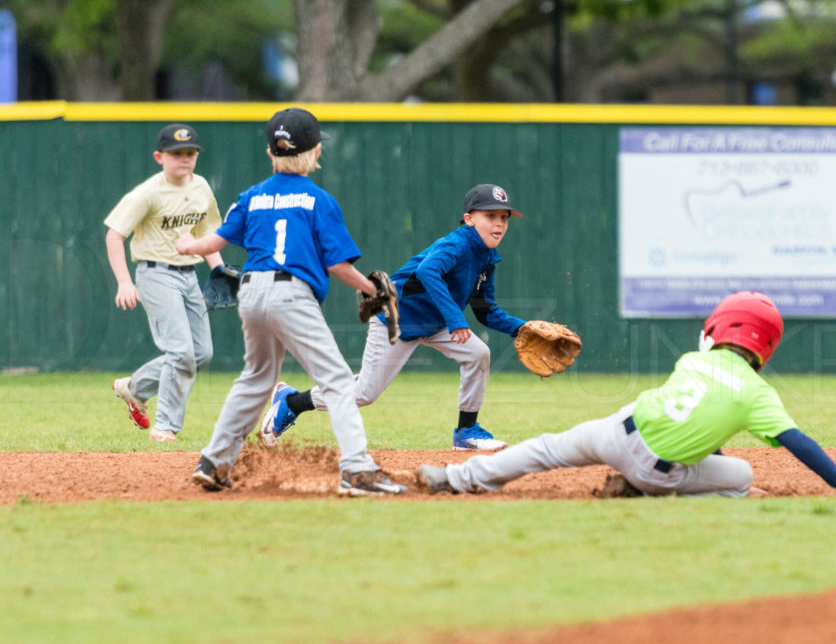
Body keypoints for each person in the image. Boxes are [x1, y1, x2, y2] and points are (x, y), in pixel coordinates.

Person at [416, 292, 836, 498]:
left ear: (717, 328)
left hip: (617, 430)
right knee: (740, 476)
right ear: (766, 345)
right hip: (658, 472)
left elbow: (696, 409)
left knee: (544, 448)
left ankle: (454, 480)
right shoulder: (757, 395)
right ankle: (658, 492)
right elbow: (801, 445)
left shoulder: (693, 361)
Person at [175, 107, 405, 496]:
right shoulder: (319, 200)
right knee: (335, 379)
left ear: (270, 153)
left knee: (255, 378)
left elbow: (214, 242)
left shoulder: (252, 196)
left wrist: (188, 246)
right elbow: (338, 266)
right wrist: (371, 288)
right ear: (316, 152)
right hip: (291, 294)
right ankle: (357, 470)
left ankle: (214, 462)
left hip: (250, 291)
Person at [258, 183, 530, 453]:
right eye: (490, 216)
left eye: (504, 217)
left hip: (435, 322)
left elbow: (484, 309)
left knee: (477, 353)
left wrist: (522, 328)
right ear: (469, 219)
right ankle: (291, 402)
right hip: (397, 317)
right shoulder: (457, 243)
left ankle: (466, 431)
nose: (499, 224)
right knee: (365, 393)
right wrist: (456, 319)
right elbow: (427, 272)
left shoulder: (487, 257)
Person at [105, 123, 226, 442]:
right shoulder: (148, 193)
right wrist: (124, 282)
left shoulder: (201, 188)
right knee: (180, 351)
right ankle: (165, 426)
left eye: (190, 153)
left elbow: (208, 235)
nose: (184, 159)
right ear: (159, 156)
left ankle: (135, 388)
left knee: (202, 353)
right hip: (155, 274)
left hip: (189, 274)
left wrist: (219, 272)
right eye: (176, 154)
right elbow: (114, 235)